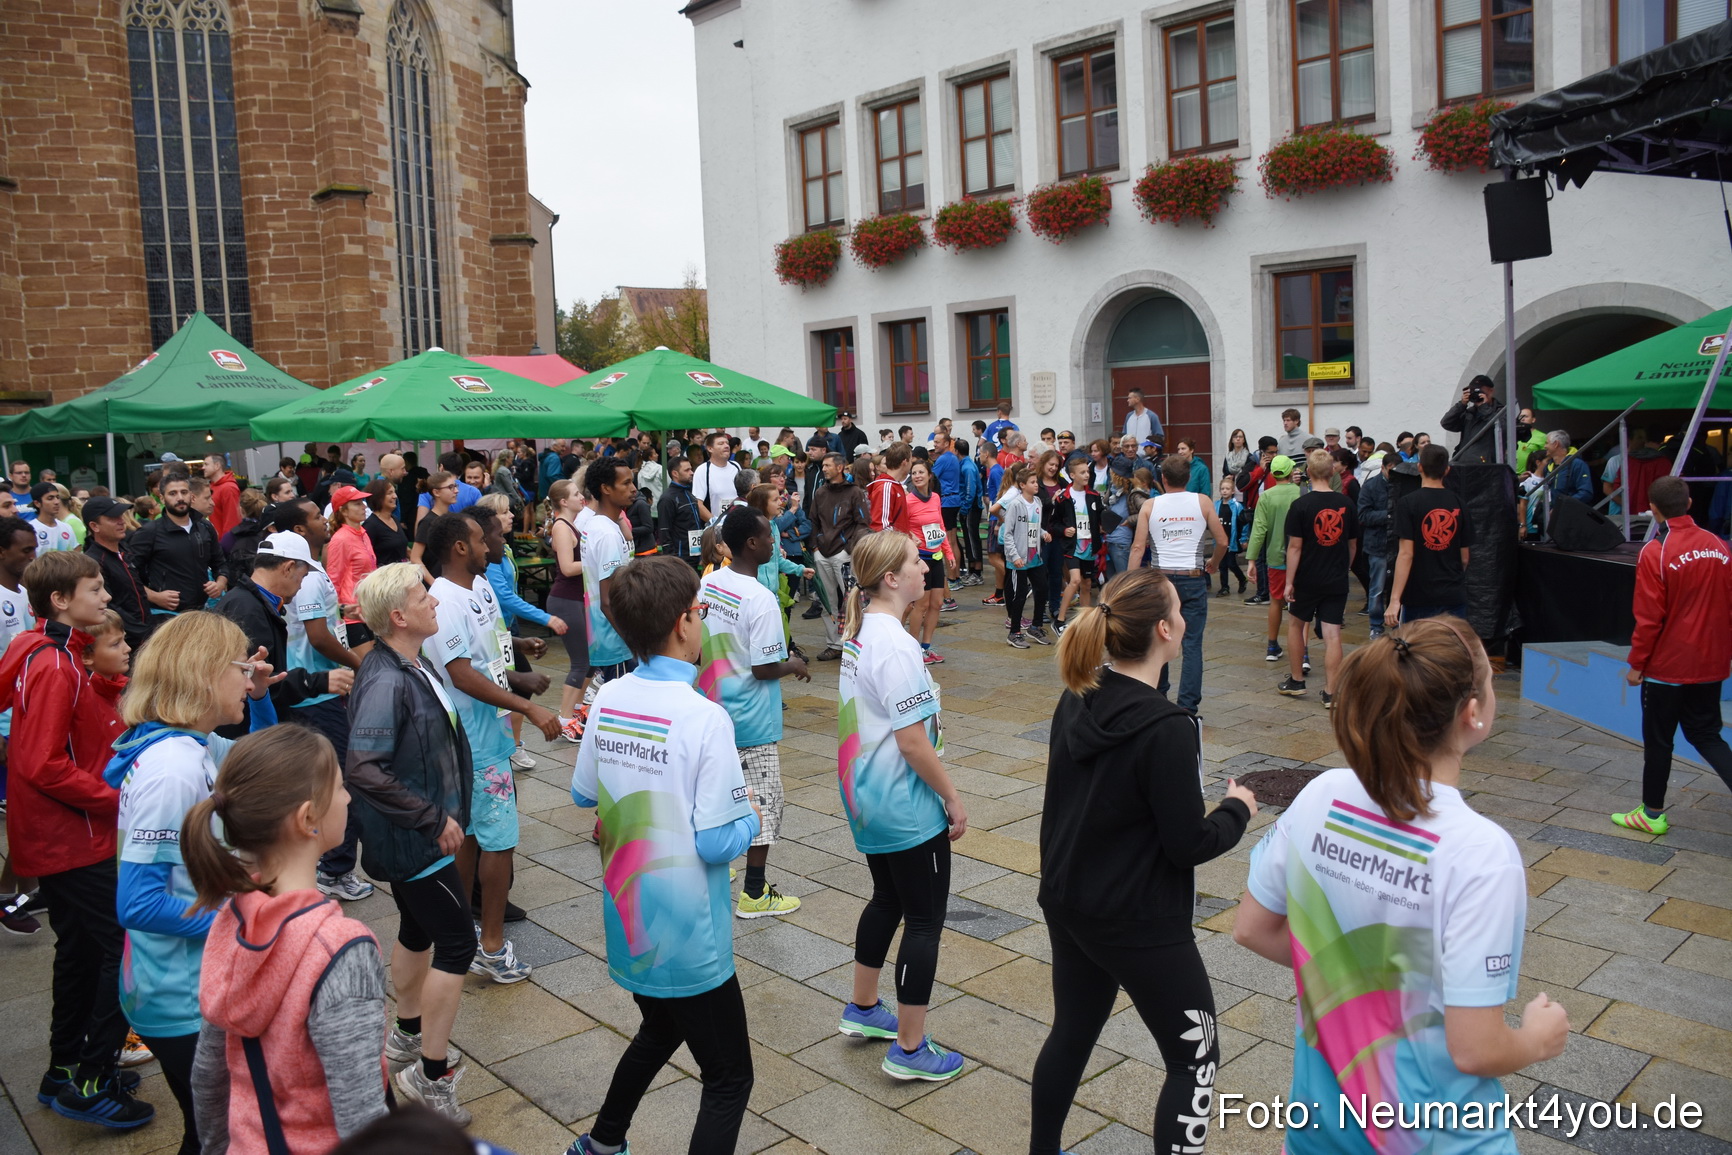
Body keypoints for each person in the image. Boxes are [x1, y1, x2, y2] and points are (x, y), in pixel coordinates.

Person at [1235, 618, 1568, 1154]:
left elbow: (1252, 929)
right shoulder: (1481, 854)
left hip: (1321, 1127)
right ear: (1472, 712)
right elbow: (1476, 1050)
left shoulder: (1323, 794)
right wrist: (1535, 1038)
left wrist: (1354, 988)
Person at [1031, 568, 1255, 1154]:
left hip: (1069, 899)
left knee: (1073, 1031)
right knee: (1194, 1059)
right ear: (1164, 630)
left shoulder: (1079, 694)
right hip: (1137, 919)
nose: (1184, 619)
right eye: (1179, 610)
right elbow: (1189, 844)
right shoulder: (1167, 727)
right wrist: (1237, 809)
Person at [566, 556, 761, 1155]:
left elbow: (582, 791)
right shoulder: (705, 717)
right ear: (683, 623)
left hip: (631, 922)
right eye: (701, 611)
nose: (703, 622)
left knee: (660, 1030)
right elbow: (716, 841)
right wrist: (750, 811)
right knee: (730, 1077)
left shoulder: (610, 695)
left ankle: (602, 1142)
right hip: (689, 937)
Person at [107, 610, 277, 1155]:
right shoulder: (172, 767)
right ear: (204, 673)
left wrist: (261, 696)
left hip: (192, 987)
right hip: (182, 998)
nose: (246, 680)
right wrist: (247, 920)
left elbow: (275, 761)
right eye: (239, 669)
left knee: (213, 1132)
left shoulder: (193, 744)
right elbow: (137, 902)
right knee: (221, 1137)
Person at [186, 724, 391, 1153]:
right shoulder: (340, 947)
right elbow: (362, 1118)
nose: (349, 797)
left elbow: (208, 1075)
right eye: (339, 786)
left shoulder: (232, 916)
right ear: (307, 818)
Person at [0, 550, 146, 1127]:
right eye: (95, 589)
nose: (106, 597)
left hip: (56, 835)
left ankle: (65, 1068)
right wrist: (121, 799)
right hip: (70, 836)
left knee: (82, 949)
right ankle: (91, 1077)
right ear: (61, 601)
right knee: (122, 946)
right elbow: (40, 763)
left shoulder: (44, 647)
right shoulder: (57, 663)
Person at [833, 529, 968, 1082]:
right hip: (902, 801)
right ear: (892, 578)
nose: (924, 566)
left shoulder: (866, 629)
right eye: (916, 560)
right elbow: (913, 741)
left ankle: (864, 1008)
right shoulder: (893, 642)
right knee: (925, 920)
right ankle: (910, 1048)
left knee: (887, 897)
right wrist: (951, 796)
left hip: (867, 793)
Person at [346, 563, 474, 1122]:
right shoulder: (386, 678)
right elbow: (364, 768)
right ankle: (430, 1074)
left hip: (419, 835)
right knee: (457, 944)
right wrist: (429, 819)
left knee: (417, 929)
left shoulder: (407, 663)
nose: (435, 602)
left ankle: (403, 1034)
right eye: (424, 596)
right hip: (412, 842)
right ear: (397, 617)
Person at [422, 510, 559, 981]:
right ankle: (492, 946)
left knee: (477, 838)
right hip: (475, 743)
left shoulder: (479, 587)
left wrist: (520, 657)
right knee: (497, 843)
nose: (489, 546)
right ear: (460, 547)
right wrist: (529, 708)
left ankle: (462, 936)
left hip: (491, 735)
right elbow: (460, 673)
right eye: (483, 539)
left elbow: (490, 652)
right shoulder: (442, 601)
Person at [697, 506, 810, 919]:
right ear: (751, 543)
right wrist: (794, 665)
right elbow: (763, 669)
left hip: (713, 706)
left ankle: (718, 864)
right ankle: (755, 892)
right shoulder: (760, 599)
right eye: (768, 536)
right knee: (762, 801)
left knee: (718, 794)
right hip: (751, 718)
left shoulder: (709, 583)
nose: (773, 541)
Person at [1614, 475, 1732, 833]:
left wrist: (1637, 664)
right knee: (1708, 734)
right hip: (1711, 661)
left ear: (1653, 510)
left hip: (1668, 666)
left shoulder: (1655, 551)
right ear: (1690, 503)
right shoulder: (1719, 545)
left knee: (1659, 739)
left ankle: (1651, 815)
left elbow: (1649, 617)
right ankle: (1650, 812)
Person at [214, 529, 357, 725]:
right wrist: (317, 682)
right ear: (288, 568)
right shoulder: (248, 609)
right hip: (246, 730)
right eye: (303, 576)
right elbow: (258, 679)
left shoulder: (253, 602)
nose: (300, 586)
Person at [1128, 456, 1226, 713]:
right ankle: (1188, 707)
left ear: (1163, 479)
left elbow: (1138, 547)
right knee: (1192, 643)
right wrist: (1213, 562)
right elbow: (1223, 541)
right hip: (1193, 577)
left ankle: (1158, 698)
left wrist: (1129, 583)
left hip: (1160, 579)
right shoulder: (1202, 501)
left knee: (1158, 640)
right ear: (1188, 478)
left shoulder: (1150, 504)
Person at [1280, 450, 1359, 706]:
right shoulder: (1346, 504)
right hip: (1335, 577)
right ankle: (1331, 692)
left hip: (1306, 577)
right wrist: (1344, 567)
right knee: (1332, 632)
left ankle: (1296, 681)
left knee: (1296, 625)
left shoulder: (1300, 505)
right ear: (1333, 471)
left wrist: (1289, 581)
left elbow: (1295, 547)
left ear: (1308, 474)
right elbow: (1352, 544)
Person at [1386, 444, 1471, 628]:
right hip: (1452, 594)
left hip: (1419, 595)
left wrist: (1394, 600)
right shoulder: (1459, 504)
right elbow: (1465, 558)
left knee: (1417, 652)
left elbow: (1406, 554)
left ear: (1419, 467)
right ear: (1447, 470)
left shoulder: (1408, 503)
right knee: (1451, 653)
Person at [579, 460, 638, 710]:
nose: (634, 488)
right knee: (625, 711)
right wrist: (635, 642)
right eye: (626, 483)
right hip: (616, 643)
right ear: (605, 488)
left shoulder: (597, 525)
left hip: (605, 638)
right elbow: (608, 600)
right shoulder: (607, 534)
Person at [128, 473, 227, 619]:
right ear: (162, 498)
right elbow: (128, 574)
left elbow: (221, 563)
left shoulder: (204, 527)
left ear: (191, 496)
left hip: (203, 612)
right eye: (172, 493)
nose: (180, 498)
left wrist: (220, 583)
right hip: (166, 616)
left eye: (184, 492)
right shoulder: (149, 532)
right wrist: (155, 596)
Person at [811, 453, 869, 661]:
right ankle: (834, 644)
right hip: (822, 554)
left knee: (852, 599)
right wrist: (815, 548)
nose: (824, 469)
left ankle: (856, 642)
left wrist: (849, 549)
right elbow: (814, 521)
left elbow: (863, 523)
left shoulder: (855, 493)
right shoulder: (820, 493)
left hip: (844, 554)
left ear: (840, 467)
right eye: (823, 465)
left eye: (827, 465)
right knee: (828, 601)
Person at [1246, 455, 1300, 665]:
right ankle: (1302, 652)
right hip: (1300, 557)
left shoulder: (1266, 496)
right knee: (1300, 604)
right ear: (1289, 471)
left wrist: (1251, 559)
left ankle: (1272, 644)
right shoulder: (1300, 493)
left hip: (1275, 556)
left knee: (1276, 600)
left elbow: (1259, 529)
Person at [1000, 466, 1051, 649]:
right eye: (1032, 482)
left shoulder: (1037, 502)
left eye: (1036, 481)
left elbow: (1035, 527)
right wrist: (1014, 556)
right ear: (1022, 485)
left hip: (1034, 556)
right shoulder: (1015, 504)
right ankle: (1014, 632)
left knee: (1042, 588)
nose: (1036, 485)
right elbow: (1008, 533)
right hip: (1019, 558)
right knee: (1019, 595)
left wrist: (1044, 533)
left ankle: (1036, 626)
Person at [1052, 456, 1102, 632]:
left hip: (1089, 546)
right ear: (1072, 475)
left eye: (1087, 471)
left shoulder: (1094, 496)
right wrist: (1064, 531)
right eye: (1082, 472)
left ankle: (1084, 620)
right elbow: (1054, 523)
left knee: (1087, 584)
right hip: (1072, 546)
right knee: (1075, 581)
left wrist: (1104, 527)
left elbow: (1100, 519)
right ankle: (1059, 619)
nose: (1086, 475)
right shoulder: (1064, 497)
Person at [325, 484, 377, 651]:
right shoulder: (340, 539)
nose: (364, 506)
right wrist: (340, 612)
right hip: (351, 616)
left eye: (362, 501)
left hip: (368, 611)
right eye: (357, 503)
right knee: (367, 668)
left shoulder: (363, 533)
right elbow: (333, 581)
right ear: (343, 511)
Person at [1358, 451, 1396, 639]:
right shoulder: (1371, 486)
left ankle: (1397, 622)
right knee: (1377, 588)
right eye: (1391, 471)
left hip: (1397, 545)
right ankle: (1376, 625)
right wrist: (1388, 516)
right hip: (1378, 545)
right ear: (1383, 468)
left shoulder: (1403, 485)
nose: (1394, 475)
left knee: (1398, 586)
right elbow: (1362, 515)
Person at [1439, 374, 1503, 464]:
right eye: (1473, 390)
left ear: (1491, 391)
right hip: (1463, 463)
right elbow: (1446, 423)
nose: (1476, 394)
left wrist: (1484, 408)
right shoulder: (1470, 412)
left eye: (1479, 391)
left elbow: (1504, 429)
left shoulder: (1501, 411)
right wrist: (1462, 405)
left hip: (1486, 466)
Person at [409, 470, 458, 572]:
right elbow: (415, 557)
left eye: (456, 486)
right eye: (450, 487)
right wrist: (432, 581)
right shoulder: (427, 522)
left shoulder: (453, 519)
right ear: (436, 492)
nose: (456, 490)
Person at [691, 432, 742, 522]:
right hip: (716, 529)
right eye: (721, 443)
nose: (726, 446)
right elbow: (698, 504)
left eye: (727, 443)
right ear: (710, 448)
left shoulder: (736, 466)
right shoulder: (703, 470)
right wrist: (716, 523)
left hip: (739, 524)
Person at [361, 479, 409, 567]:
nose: (395, 496)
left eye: (394, 492)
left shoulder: (394, 519)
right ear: (378, 497)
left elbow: (404, 549)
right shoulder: (371, 525)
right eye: (389, 493)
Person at [1540, 430, 1593, 505]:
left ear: (1556, 444)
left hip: (1569, 513)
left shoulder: (1577, 464)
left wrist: (1561, 506)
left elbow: (1586, 493)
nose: (1545, 446)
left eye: (1547, 443)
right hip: (1551, 514)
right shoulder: (1548, 466)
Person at [1216, 476, 1248, 596]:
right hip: (1220, 540)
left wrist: (1243, 538)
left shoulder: (1237, 506)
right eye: (1222, 489)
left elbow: (1244, 524)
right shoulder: (1216, 505)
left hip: (1232, 539)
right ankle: (1224, 587)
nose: (1225, 491)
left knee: (1231, 563)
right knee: (1222, 564)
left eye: (1227, 489)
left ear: (1233, 491)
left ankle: (1242, 579)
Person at [31, 483, 79, 552]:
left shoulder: (66, 528)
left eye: (58, 497)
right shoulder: (32, 529)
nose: (56, 502)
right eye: (50, 498)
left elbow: (76, 555)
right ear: (37, 503)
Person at [203, 453, 241, 539]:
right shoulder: (212, 486)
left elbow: (232, 521)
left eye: (206, 464)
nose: (203, 467)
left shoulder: (229, 488)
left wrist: (224, 545)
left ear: (217, 466)